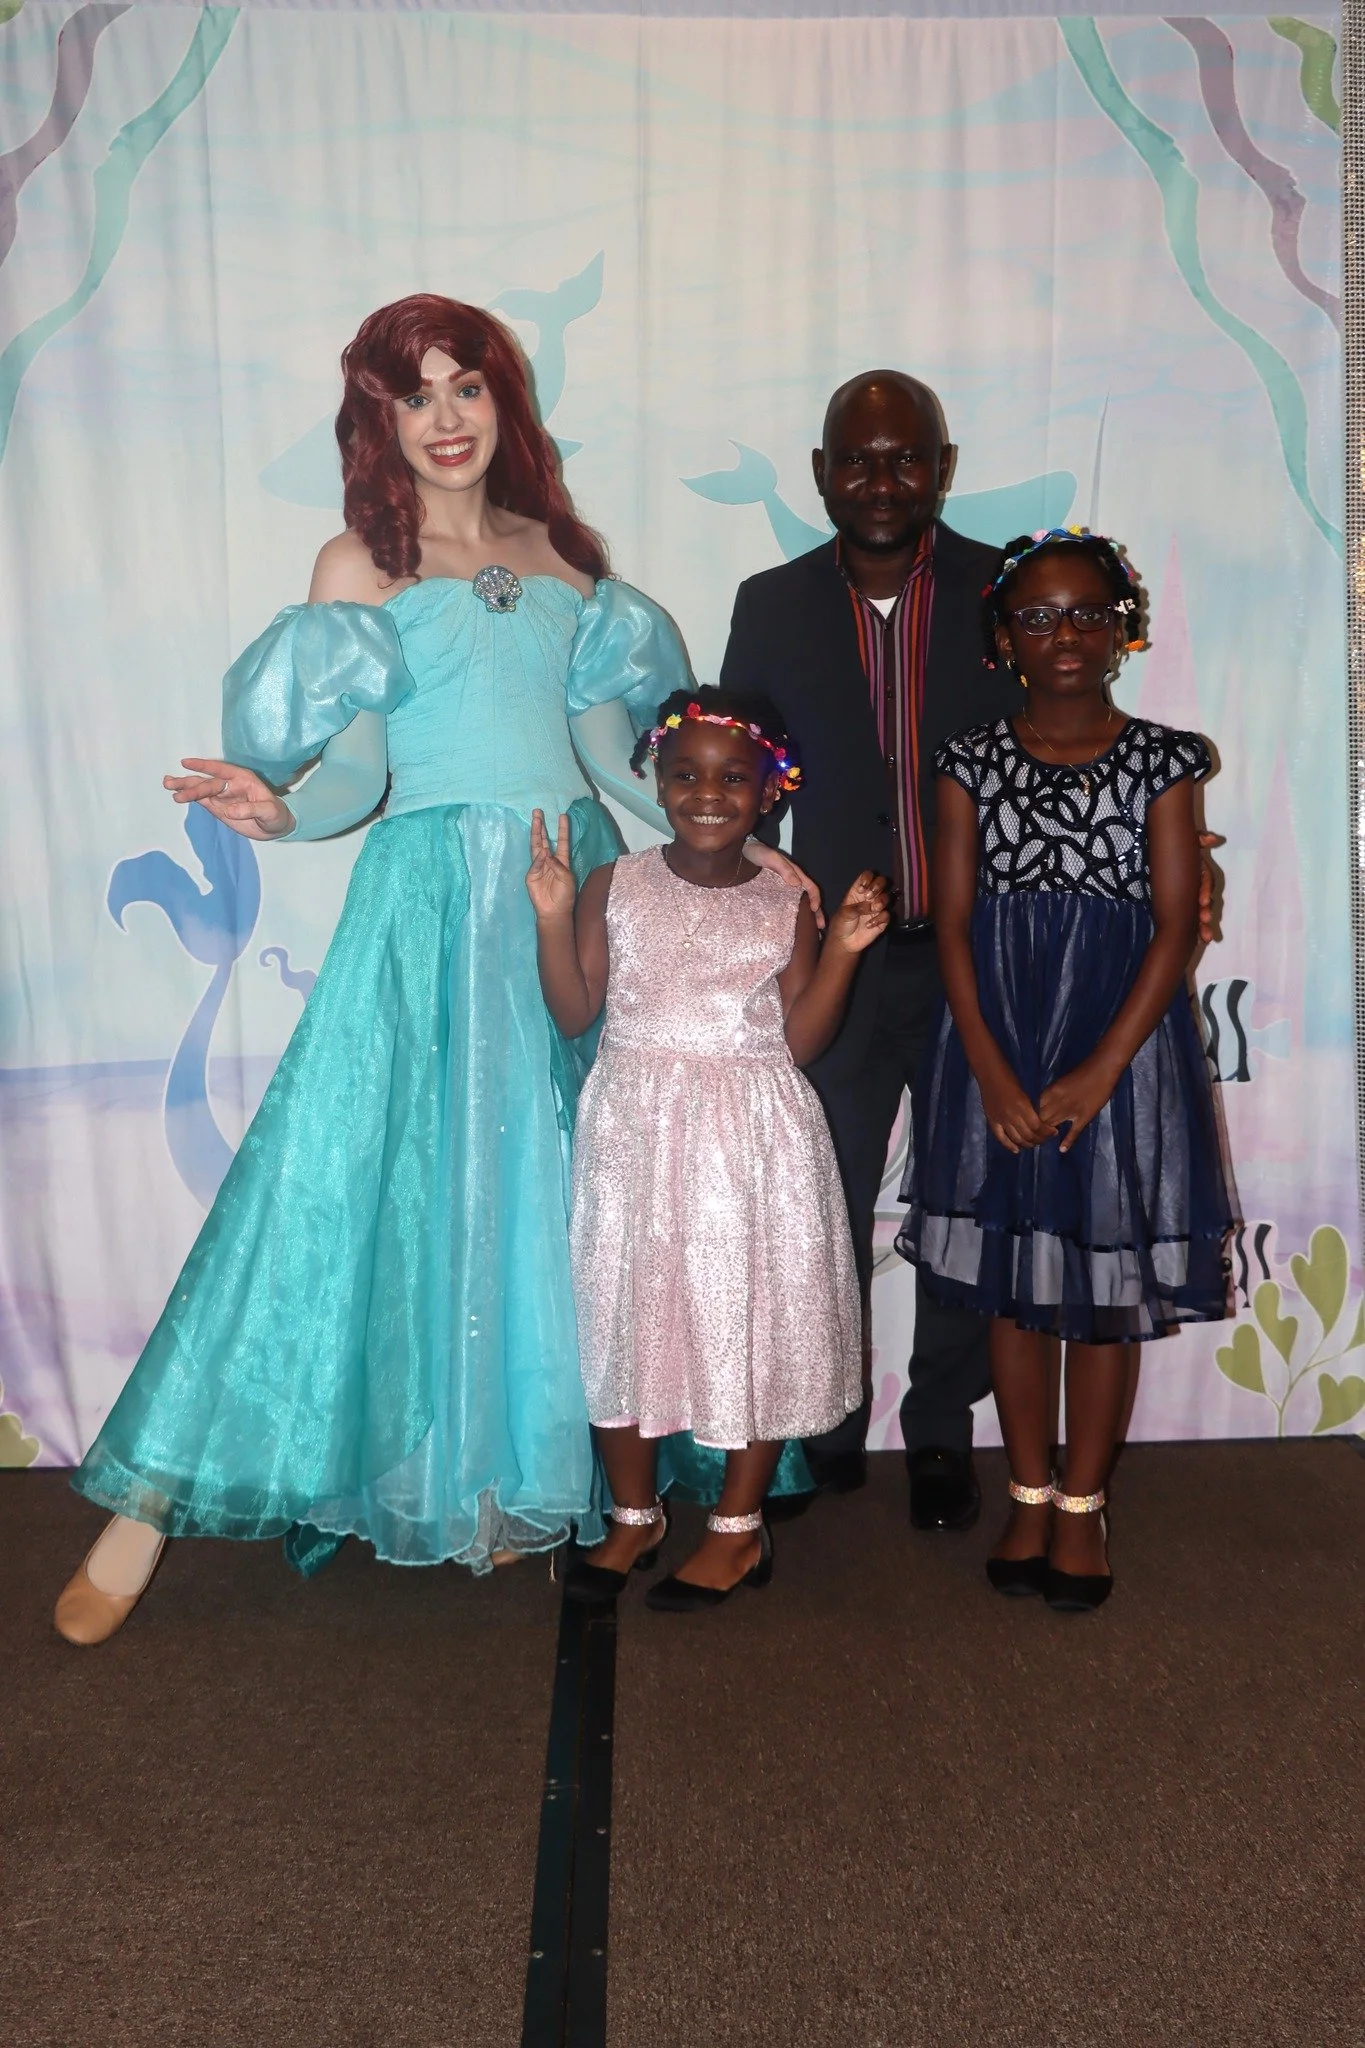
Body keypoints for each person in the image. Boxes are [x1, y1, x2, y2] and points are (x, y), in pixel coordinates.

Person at [53, 294, 699, 1645]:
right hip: (418, 903)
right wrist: (281, 812)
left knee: (555, 1182)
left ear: (504, 403)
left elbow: (608, 761)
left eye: (468, 388)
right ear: (377, 418)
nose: (448, 418)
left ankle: (523, 1476)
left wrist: (750, 851)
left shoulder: (568, 565)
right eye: (417, 396)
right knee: (331, 1176)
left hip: (557, 889)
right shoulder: (357, 566)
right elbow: (355, 772)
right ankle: (150, 1504)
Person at [897, 529, 1233, 1611]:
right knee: (1012, 1279)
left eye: (1088, 611)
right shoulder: (969, 760)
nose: (1065, 634)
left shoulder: (1167, 759)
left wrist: (1098, 1073)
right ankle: (1028, 1486)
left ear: (1124, 626)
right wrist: (992, 1072)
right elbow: (951, 927)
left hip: (1118, 1049)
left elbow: (1176, 927)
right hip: (998, 1039)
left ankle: (1084, 1503)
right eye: (1037, 616)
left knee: (1102, 1281)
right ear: (1004, 637)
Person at [717, 370, 1016, 1529]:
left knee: (960, 1200)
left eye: (906, 458)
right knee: (820, 1196)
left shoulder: (1003, 590)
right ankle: (827, 1424)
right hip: (833, 964)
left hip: (971, 961)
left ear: (941, 469)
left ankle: (941, 1433)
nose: (881, 481)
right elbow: (745, 785)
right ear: (820, 473)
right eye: (858, 458)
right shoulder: (773, 602)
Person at [526, 688, 889, 1610]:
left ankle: (737, 1527)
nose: (707, 793)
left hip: (752, 1136)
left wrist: (842, 946)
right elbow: (574, 1011)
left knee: (748, 1316)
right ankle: (634, 1514)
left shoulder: (785, 898)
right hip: (633, 1131)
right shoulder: (617, 882)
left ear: (769, 792)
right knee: (623, 1315)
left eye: (733, 777)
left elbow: (801, 1039)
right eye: (684, 774)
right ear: (655, 779)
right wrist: (552, 912)